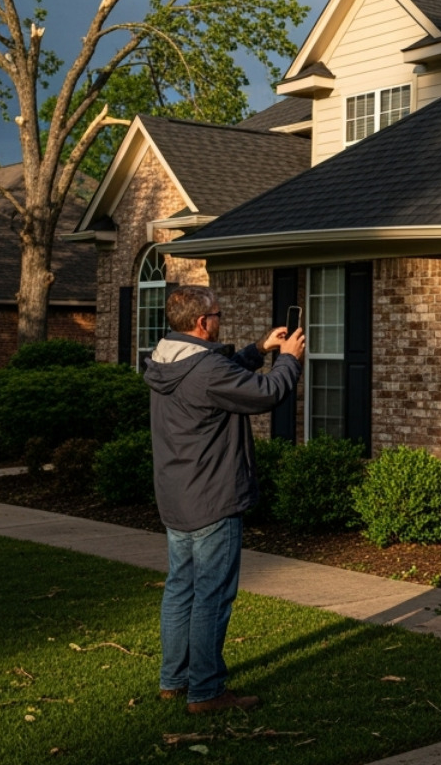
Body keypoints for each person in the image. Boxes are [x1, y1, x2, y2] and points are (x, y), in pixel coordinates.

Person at [143, 284, 305, 715]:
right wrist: (288, 359)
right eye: (217, 314)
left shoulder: (167, 358)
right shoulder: (205, 369)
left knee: (181, 589)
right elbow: (267, 393)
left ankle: (174, 681)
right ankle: (207, 691)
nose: (220, 319)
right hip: (212, 496)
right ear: (202, 323)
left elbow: (217, 374)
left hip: (177, 495)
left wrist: (258, 349)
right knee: (212, 595)